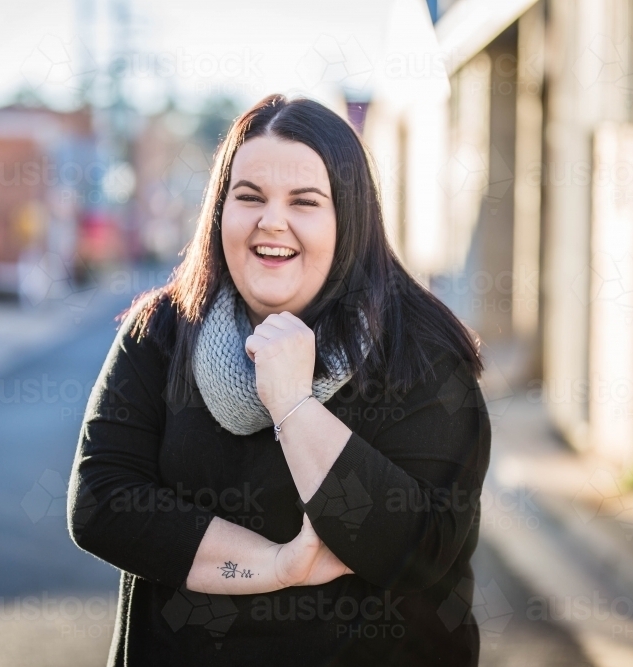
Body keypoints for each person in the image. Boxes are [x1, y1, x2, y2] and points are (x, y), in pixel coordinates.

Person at [67, 93, 491, 666]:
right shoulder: (164, 329)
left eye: (305, 201)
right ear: (220, 212)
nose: (272, 221)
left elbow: (416, 551)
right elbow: (102, 504)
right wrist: (274, 566)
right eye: (249, 197)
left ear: (350, 218)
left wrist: (293, 405)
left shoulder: (421, 352)